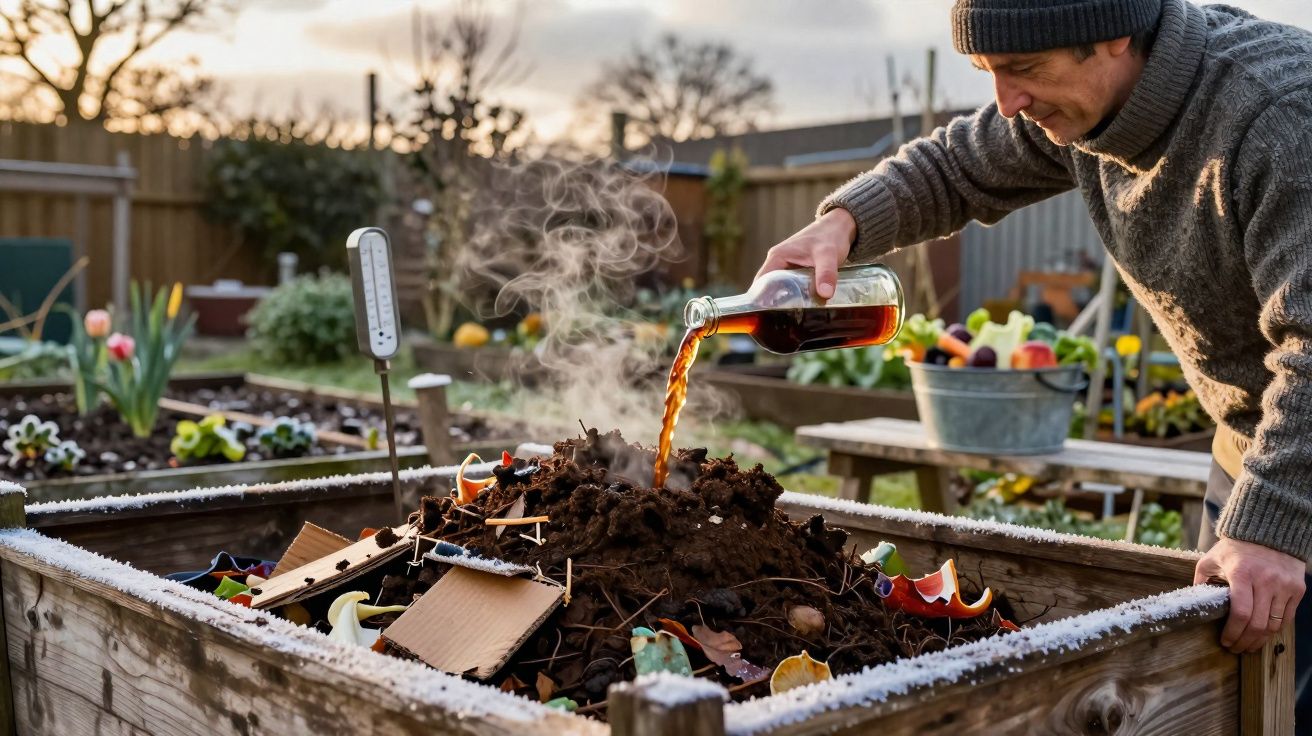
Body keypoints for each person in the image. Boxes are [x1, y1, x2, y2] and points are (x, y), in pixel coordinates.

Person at [759, 0, 1312, 719]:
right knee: (1226, 709)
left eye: (1022, 69)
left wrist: (1273, 525)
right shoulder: (1089, 106)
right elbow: (956, 168)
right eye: (989, 72)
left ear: (1115, 35)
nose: (1007, 101)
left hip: (1291, 456)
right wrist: (841, 226)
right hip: (1252, 446)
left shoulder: (1278, 114)